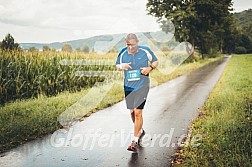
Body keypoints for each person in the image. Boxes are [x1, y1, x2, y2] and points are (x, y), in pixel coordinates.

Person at [116, 33, 158, 151]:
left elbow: (155, 62)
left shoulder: (145, 51)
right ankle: (140, 130)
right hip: (128, 86)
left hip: (142, 86)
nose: (131, 47)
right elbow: (117, 66)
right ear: (126, 43)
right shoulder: (123, 53)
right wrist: (121, 66)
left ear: (137, 42)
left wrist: (149, 68)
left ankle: (134, 140)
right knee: (132, 112)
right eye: (129, 45)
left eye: (133, 45)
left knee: (138, 112)